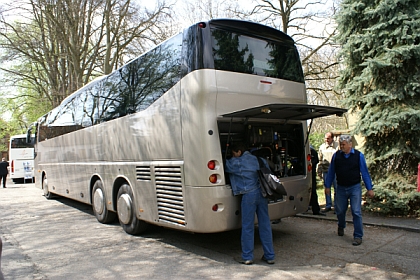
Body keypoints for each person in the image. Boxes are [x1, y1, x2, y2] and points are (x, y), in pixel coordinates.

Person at [225, 142, 275, 265]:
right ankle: (269, 256)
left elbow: (225, 166)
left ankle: (247, 256)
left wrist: (226, 155)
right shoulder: (258, 159)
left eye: (234, 153)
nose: (234, 155)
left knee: (248, 226)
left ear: (239, 152)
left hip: (248, 195)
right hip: (262, 194)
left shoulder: (236, 162)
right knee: (265, 225)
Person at [324, 135, 374, 246]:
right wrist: (327, 186)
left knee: (356, 211)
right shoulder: (336, 156)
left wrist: (369, 188)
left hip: (354, 187)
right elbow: (331, 171)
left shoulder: (358, 156)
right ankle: (341, 225)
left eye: (343, 145)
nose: (341, 146)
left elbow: (365, 173)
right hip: (341, 188)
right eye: (340, 144)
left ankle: (358, 236)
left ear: (350, 144)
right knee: (340, 211)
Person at [317, 132, 338, 212]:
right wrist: (319, 171)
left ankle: (336, 206)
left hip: (336, 171)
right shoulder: (322, 147)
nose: (326, 140)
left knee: (337, 189)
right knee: (327, 188)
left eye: (328, 138)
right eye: (325, 138)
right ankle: (328, 205)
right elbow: (320, 160)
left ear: (332, 138)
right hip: (326, 171)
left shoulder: (337, 146)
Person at [310, 145, 326, 216]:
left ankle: (315, 209)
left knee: (313, 191)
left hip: (311, 174)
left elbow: (316, 161)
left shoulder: (313, 151)